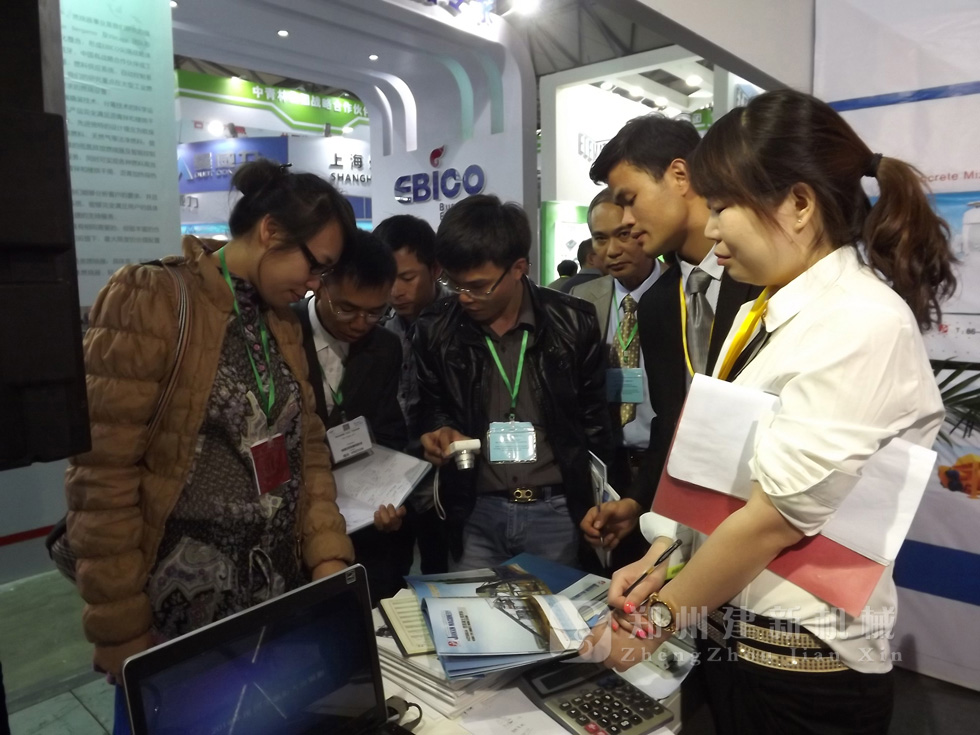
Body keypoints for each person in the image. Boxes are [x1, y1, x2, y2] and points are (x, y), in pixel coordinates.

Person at [582, 89, 955, 735]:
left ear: (799, 204)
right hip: (738, 641)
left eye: (723, 207)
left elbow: (772, 520)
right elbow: (730, 480)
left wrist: (652, 624)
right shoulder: (768, 310)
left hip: (804, 668)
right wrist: (663, 557)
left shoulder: (859, 322)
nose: (713, 229)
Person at [64, 160, 356, 733]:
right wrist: (121, 629)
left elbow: (308, 450)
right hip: (177, 614)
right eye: (315, 265)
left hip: (275, 597)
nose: (316, 284)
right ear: (271, 231)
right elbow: (101, 478)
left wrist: (327, 556)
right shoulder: (150, 297)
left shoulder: (281, 320)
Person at [578, 114, 761, 555]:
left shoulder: (763, 279)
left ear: (679, 175)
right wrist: (638, 500)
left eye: (630, 200)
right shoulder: (659, 302)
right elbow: (672, 418)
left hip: (770, 515)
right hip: (693, 525)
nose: (627, 220)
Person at [415, 194, 611, 570]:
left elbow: (594, 424)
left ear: (519, 268)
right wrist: (438, 431)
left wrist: (597, 503)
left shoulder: (573, 322)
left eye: (478, 286)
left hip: (556, 512)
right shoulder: (435, 328)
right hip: (475, 510)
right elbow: (430, 405)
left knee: (558, 608)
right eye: (454, 284)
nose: (464, 298)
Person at [293, 229, 409, 604]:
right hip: (293, 516)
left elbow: (388, 430)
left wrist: (391, 494)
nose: (360, 322)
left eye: (376, 312)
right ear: (320, 284)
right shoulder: (283, 331)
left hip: (360, 519)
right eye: (347, 308)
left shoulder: (385, 346)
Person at [570, 190, 661, 567]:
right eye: (600, 238)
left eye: (623, 235)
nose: (611, 250)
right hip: (604, 468)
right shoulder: (581, 300)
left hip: (661, 466)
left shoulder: (682, 293)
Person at [374, 214, 452, 574]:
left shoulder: (459, 323)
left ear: (435, 269)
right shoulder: (378, 326)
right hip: (392, 481)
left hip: (446, 480)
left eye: (407, 278)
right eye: (388, 278)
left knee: (442, 573)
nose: (395, 291)